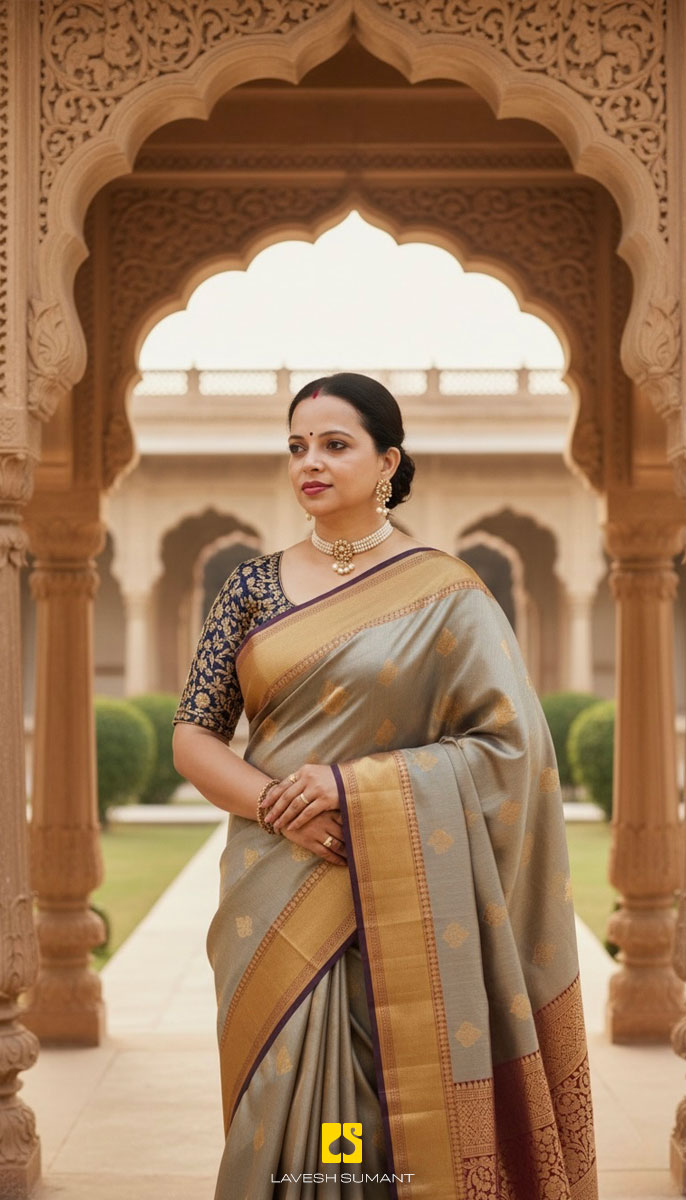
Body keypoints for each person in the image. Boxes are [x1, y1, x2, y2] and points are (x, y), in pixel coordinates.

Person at [172, 372, 598, 1200]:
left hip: (394, 890)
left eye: (335, 444)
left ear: (387, 461)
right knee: (284, 1084)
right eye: (297, 446)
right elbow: (194, 732)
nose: (311, 463)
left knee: (372, 1094)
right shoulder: (252, 586)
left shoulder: (447, 592)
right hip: (277, 882)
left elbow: (511, 747)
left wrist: (350, 786)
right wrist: (276, 805)